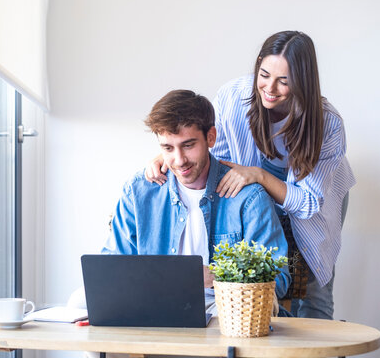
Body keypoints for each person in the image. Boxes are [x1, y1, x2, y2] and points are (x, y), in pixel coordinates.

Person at [145, 31, 355, 320]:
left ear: (303, 81)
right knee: (271, 286)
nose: (270, 88)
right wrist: (171, 153)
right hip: (255, 193)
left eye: (284, 81)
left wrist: (258, 175)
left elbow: (307, 202)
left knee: (311, 290)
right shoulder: (235, 97)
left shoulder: (327, 123)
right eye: (265, 74)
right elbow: (205, 143)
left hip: (313, 200)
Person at [104, 89, 290, 315]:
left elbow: (277, 279)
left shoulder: (248, 197)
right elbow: (111, 267)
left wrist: (217, 276)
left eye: (188, 145)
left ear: (210, 137)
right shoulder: (139, 191)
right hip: (153, 302)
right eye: (168, 148)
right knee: (79, 303)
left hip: (224, 308)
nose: (179, 160)